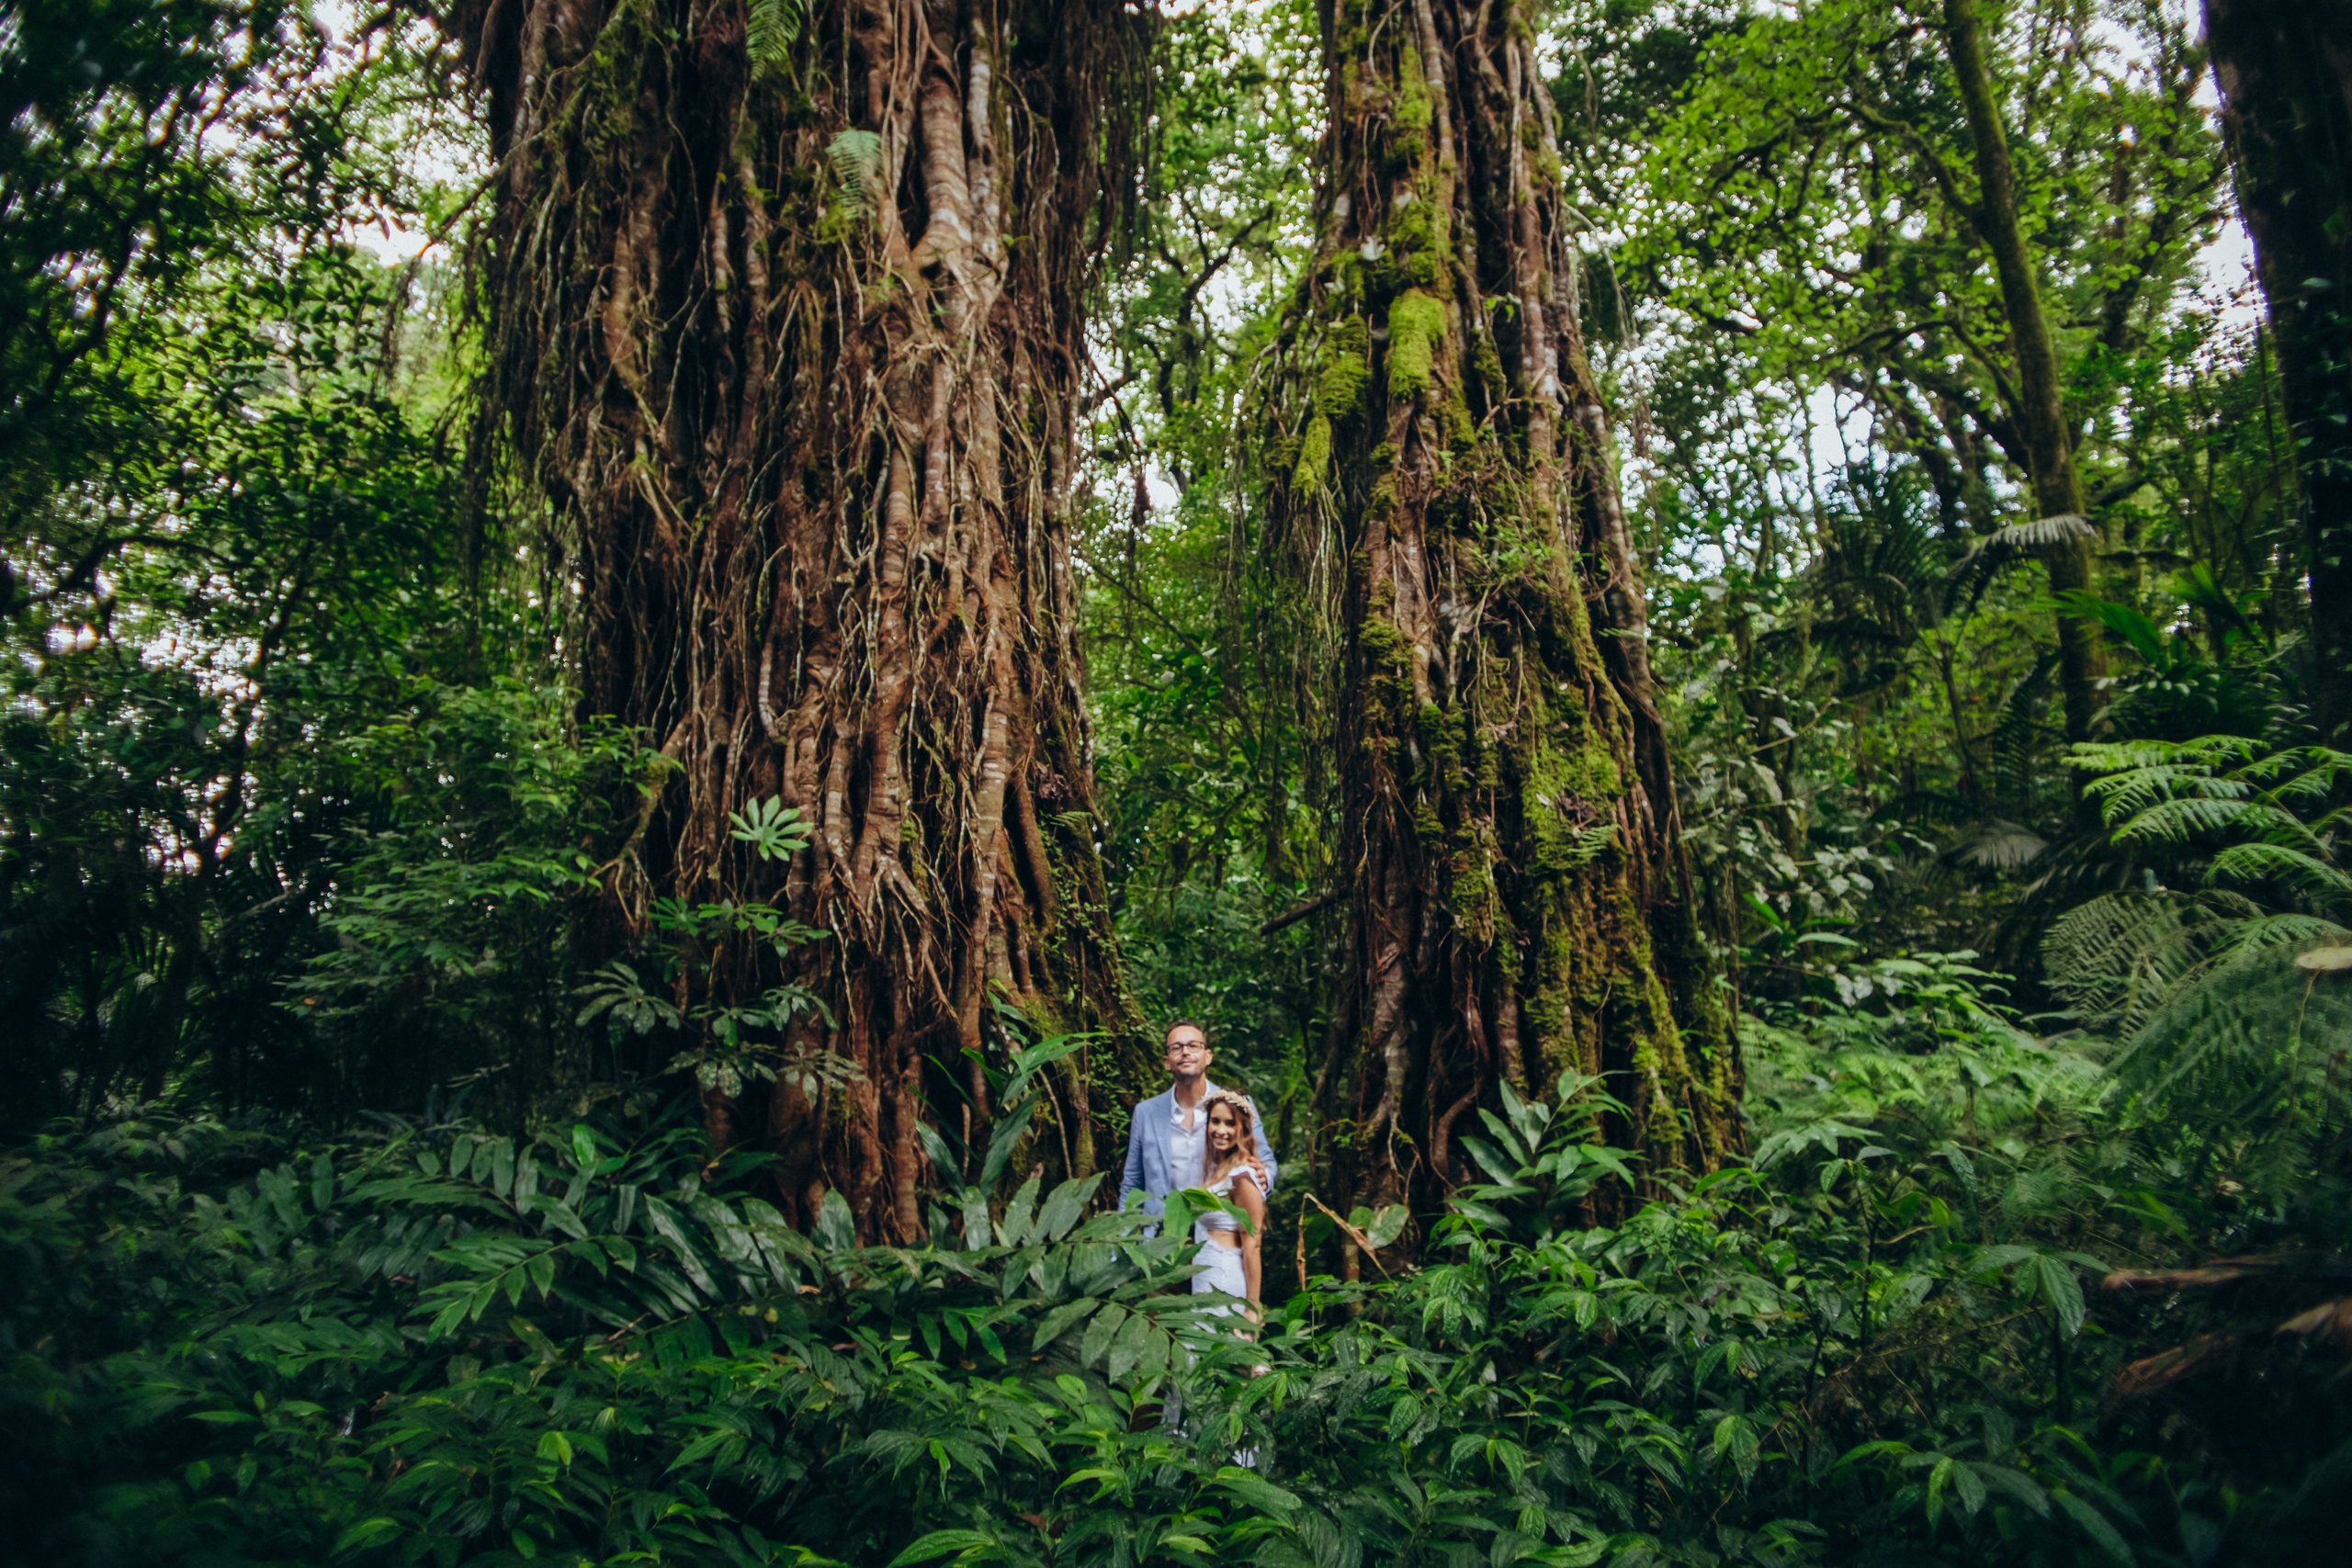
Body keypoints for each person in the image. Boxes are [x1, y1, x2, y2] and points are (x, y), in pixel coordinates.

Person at [1117, 1020, 1275, 1221]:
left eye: (1193, 1046)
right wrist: (1122, 1243)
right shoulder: (1146, 1113)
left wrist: (1264, 1177)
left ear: (1208, 1056)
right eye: (1177, 1047)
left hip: (1218, 1234)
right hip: (1162, 1236)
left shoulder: (1236, 1106)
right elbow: (1132, 1184)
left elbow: (1267, 1162)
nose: (1185, 1052)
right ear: (1166, 1062)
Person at [1191, 1090, 1266, 1316]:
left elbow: (1253, 1244)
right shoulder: (1217, 1171)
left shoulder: (1242, 1177)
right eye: (1215, 1121)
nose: (1220, 1130)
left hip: (1224, 1280)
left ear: (1242, 1129)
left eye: (1230, 1123)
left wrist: (1252, 1309)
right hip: (1204, 1279)